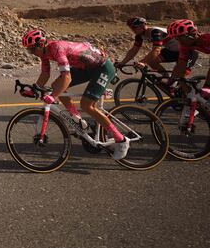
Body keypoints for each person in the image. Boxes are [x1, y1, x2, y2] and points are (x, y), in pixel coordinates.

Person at [20, 29, 129, 160]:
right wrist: (35, 88)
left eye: (32, 50)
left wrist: (52, 97)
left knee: (87, 105)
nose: (31, 53)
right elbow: (45, 74)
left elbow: (67, 78)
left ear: (41, 44)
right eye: (29, 50)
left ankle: (121, 140)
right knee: (56, 86)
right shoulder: (44, 53)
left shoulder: (56, 48)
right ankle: (77, 119)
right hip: (86, 67)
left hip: (102, 68)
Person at [115, 17, 197, 83]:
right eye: (131, 28)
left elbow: (156, 50)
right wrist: (122, 63)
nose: (133, 30)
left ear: (142, 26)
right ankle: (168, 79)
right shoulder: (139, 35)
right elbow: (133, 51)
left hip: (188, 52)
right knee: (152, 62)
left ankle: (193, 97)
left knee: (180, 77)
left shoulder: (155, 32)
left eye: (134, 28)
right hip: (172, 51)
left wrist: (143, 62)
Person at [166, 19, 210, 97]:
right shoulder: (184, 45)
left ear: (191, 35)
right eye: (176, 39)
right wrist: (186, 90)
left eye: (179, 38)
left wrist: (207, 86)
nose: (178, 41)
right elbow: (180, 66)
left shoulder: (207, 39)